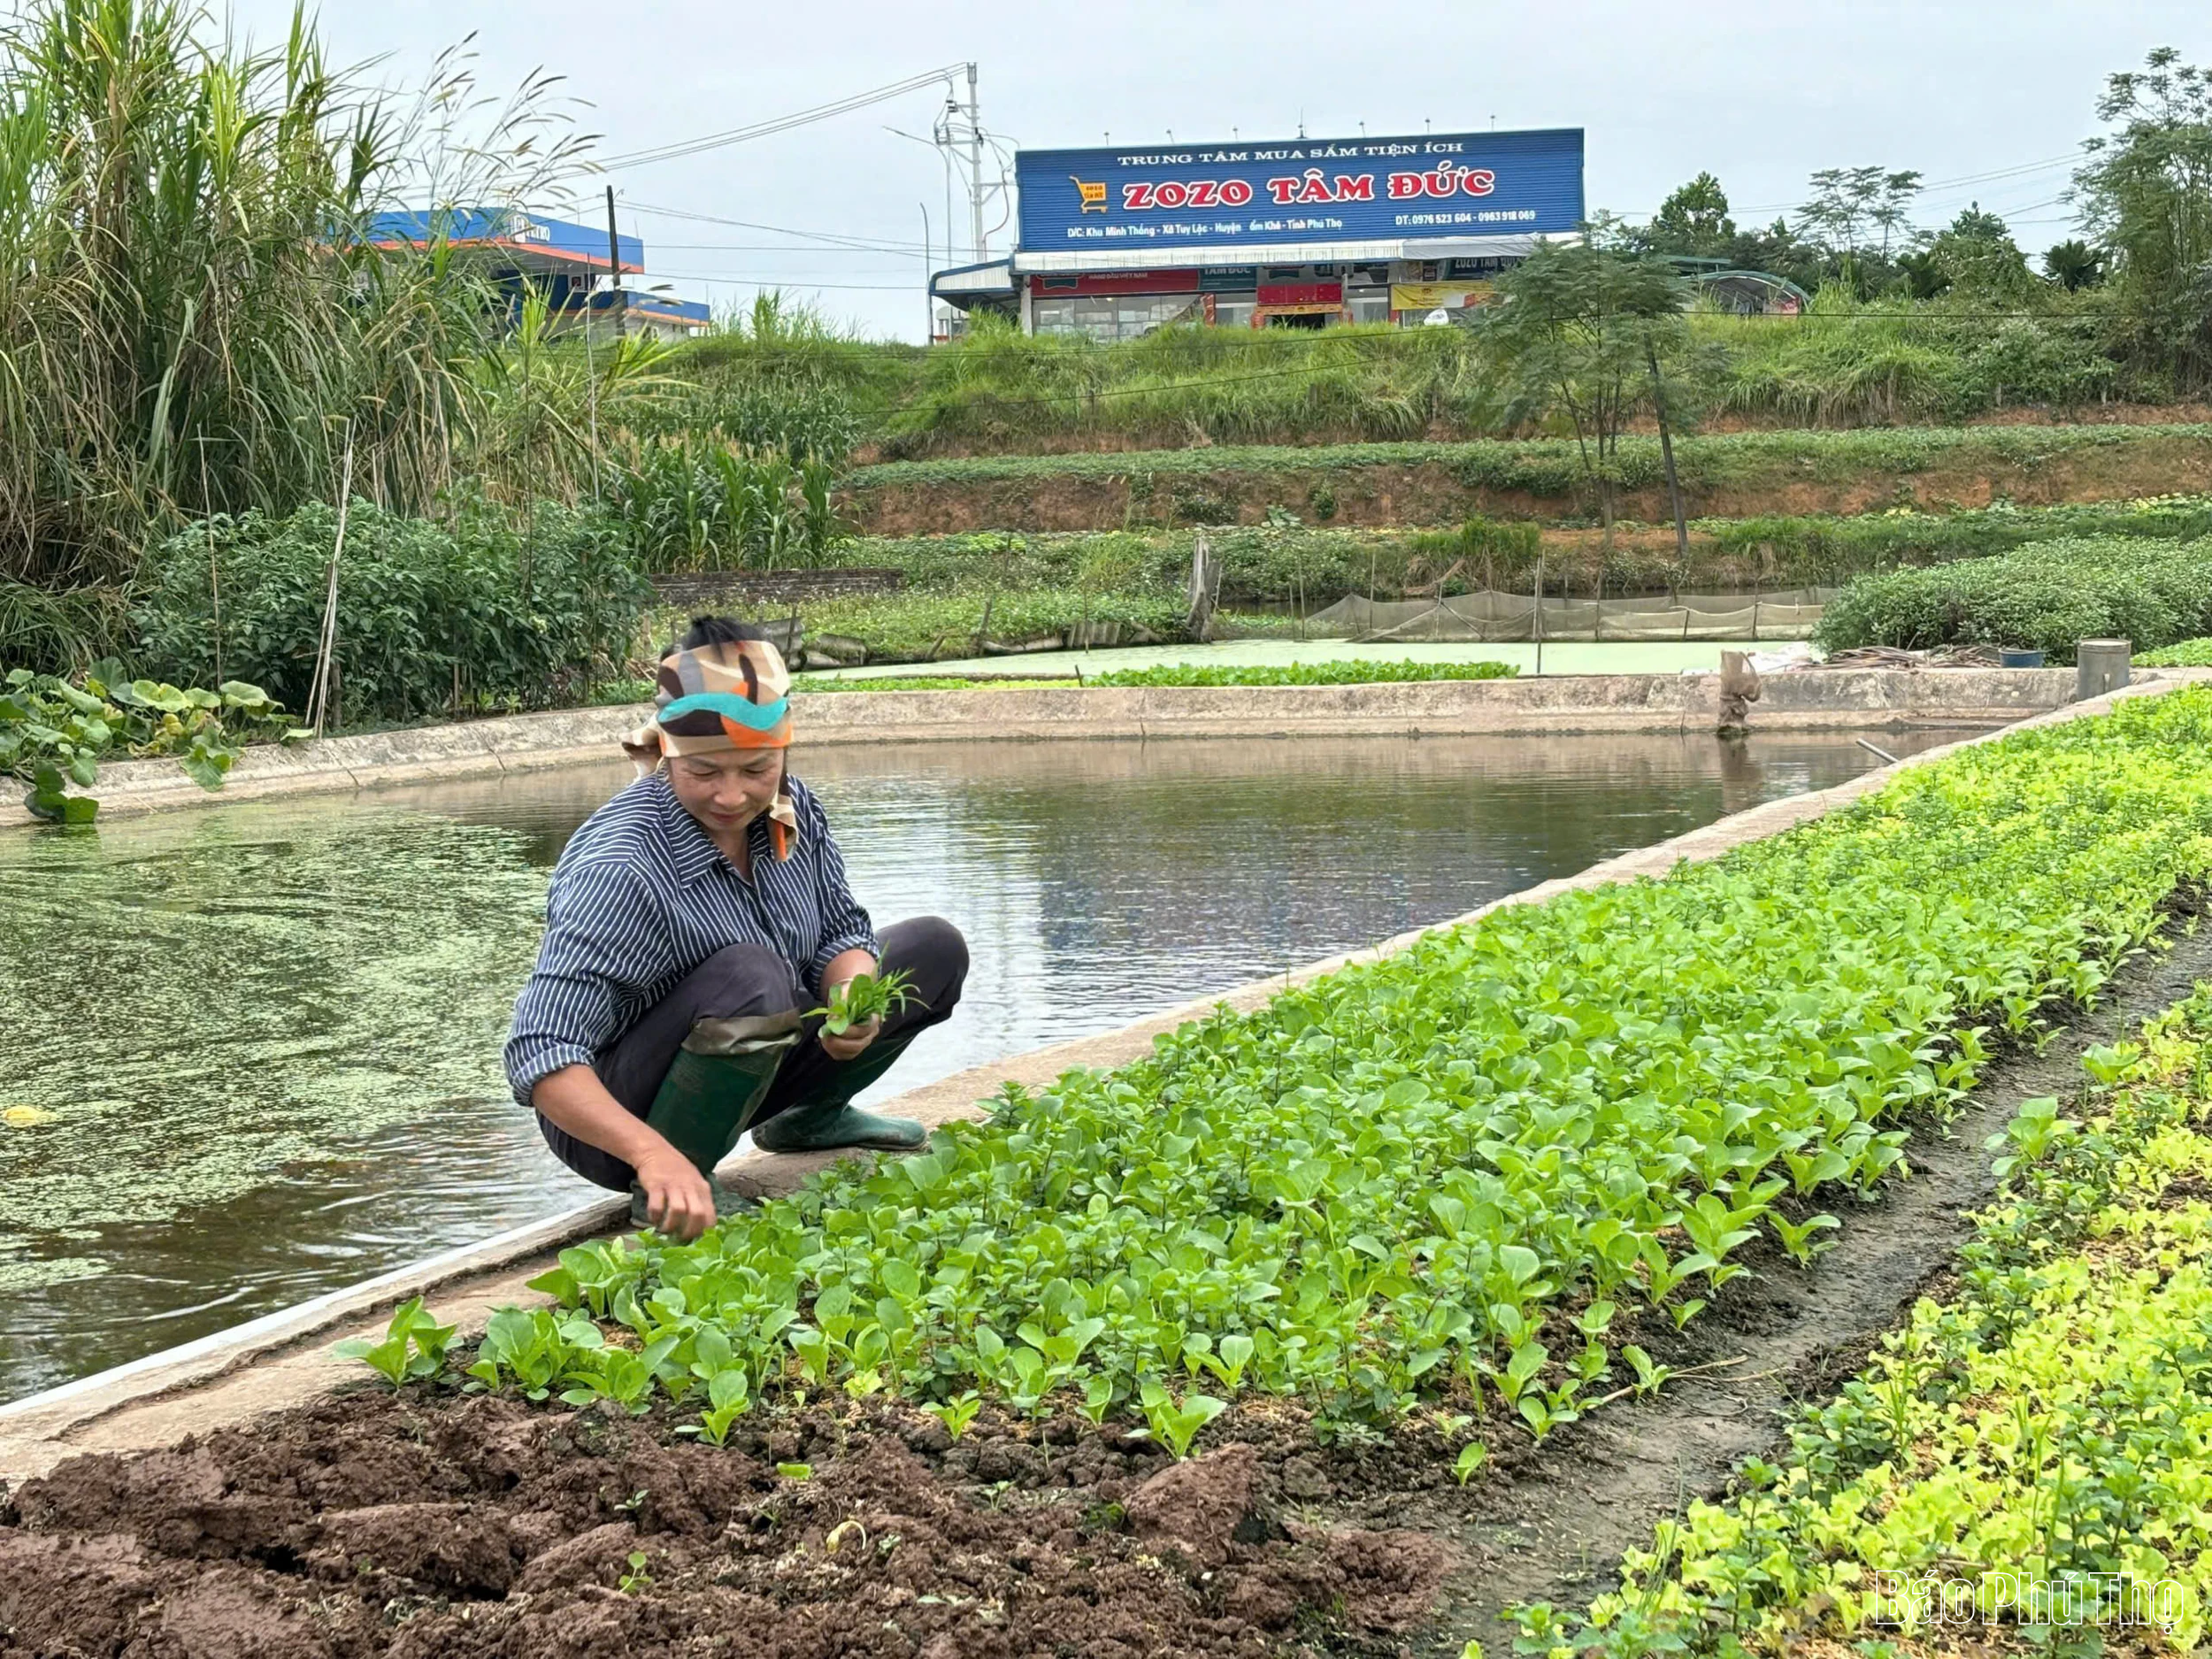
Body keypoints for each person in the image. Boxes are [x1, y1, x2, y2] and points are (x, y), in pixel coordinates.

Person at [503, 618, 967, 1242]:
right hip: (624, 1118)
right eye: (704, 773)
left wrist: (853, 993)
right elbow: (542, 1051)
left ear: (783, 749)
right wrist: (650, 1154)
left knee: (930, 950)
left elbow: (839, 930)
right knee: (754, 975)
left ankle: (808, 1116)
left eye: (755, 770)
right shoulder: (621, 866)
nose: (731, 796)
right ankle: (674, 1178)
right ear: (668, 751)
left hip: (757, 1053)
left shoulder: (792, 805)